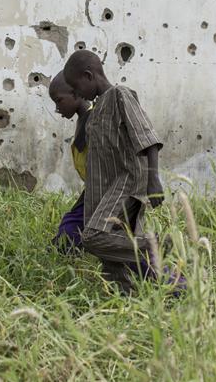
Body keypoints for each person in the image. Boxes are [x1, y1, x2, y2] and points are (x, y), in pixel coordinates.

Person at [61, 49, 175, 294]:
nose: (77, 93)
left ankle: (152, 245)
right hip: (103, 193)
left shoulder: (120, 95)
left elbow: (147, 137)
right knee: (114, 261)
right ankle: (132, 299)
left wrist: (154, 180)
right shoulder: (94, 114)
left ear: (89, 76)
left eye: (76, 86)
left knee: (92, 237)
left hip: (127, 183)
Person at [48, 73, 91, 253]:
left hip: (107, 189)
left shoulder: (95, 119)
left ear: (76, 93)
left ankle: (170, 275)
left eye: (59, 101)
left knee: (71, 229)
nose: (58, 109)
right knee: (70, 227)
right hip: (94, 188)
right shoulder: (85, 118)